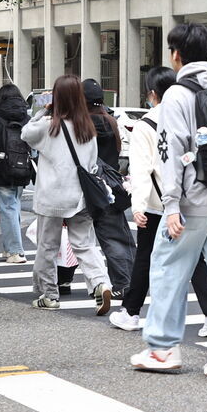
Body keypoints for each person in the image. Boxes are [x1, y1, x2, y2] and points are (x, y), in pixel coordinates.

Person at [130, 23, 207, 382]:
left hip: (192, 202)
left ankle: (163, 349)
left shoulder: (178, 95)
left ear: (177, 54)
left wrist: (170, 205)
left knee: (168, 270)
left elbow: (170, 153)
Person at [112, 66, 207, 332]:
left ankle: (131, 312)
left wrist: (138, 206)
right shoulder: (191, 116)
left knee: (145, 257)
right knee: (195, 256)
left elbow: (141, 170)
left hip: (158, 203)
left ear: (152, 93)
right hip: (192, 198)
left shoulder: (145, 124)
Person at [22, 74, 114, 313]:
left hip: (52, 197)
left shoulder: (48, 126)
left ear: (57, 98)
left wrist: (43, 111)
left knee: (47, 246)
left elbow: (26, 134)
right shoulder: (87, 128)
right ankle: (100, 283)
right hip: (81, 196)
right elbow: (92, 163)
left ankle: (49, 295)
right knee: (84, 245)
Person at [83, 79, 135, 294]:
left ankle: (122, 284)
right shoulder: (111, 121)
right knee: (117, 236)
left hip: (90, 185)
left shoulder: (83, 124)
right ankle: (127, 281)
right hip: (111, 185)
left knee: (77, 237)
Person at [0, 83, 34, 265]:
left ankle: (15, 251)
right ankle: (9, 248)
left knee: (8, 208)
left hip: (2, 168)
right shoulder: (26, 118)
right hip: (23, 168)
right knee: (14, 207)